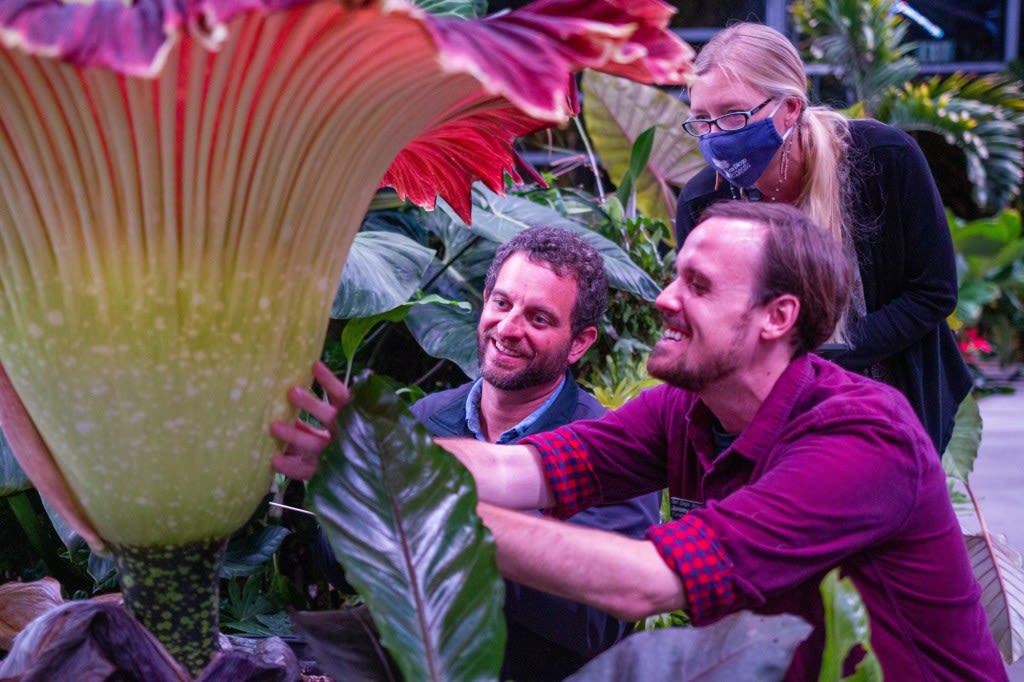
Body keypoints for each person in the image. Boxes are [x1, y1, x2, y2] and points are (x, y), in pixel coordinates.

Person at [274, 202, 1006, 681]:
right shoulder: (682, 413)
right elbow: (516, 469)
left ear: (776, 317)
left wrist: (401, 497)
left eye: (698, 285)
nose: (662, 299)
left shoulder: (859, 439)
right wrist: (370, 454)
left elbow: (644, 581)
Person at [307, 226, 661, 681]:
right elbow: (337, 561)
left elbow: (594, 621)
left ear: (579, 343)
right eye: (502, 303)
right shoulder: (424, 420)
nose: (508, 328)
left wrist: (437, 523)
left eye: (538, 319)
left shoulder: (609, 447)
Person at [675, 22, 971, 455]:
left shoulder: (882, 159)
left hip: (894, 401)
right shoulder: (704, 200)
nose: (717, 136)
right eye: (702, 121)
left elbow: (933, 291)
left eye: (734, 115)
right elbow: (705, 315)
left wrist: (821, 360)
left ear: (790, 108)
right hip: (764, 415)